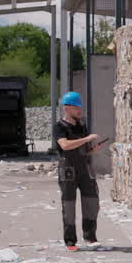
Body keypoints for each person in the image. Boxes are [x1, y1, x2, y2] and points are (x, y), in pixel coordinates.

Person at [53, 91, 107, 251]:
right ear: (67, 108)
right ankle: (70, 242)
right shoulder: (59, 127)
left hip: (85, 168)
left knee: (91, 202)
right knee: (69, 205)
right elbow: (65, 145)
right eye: (77, 108)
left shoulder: (82, 125)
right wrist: (87, 138)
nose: (80, 111)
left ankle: (90, 237)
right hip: (68, 169)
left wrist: (93, 149)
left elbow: (84, 149)